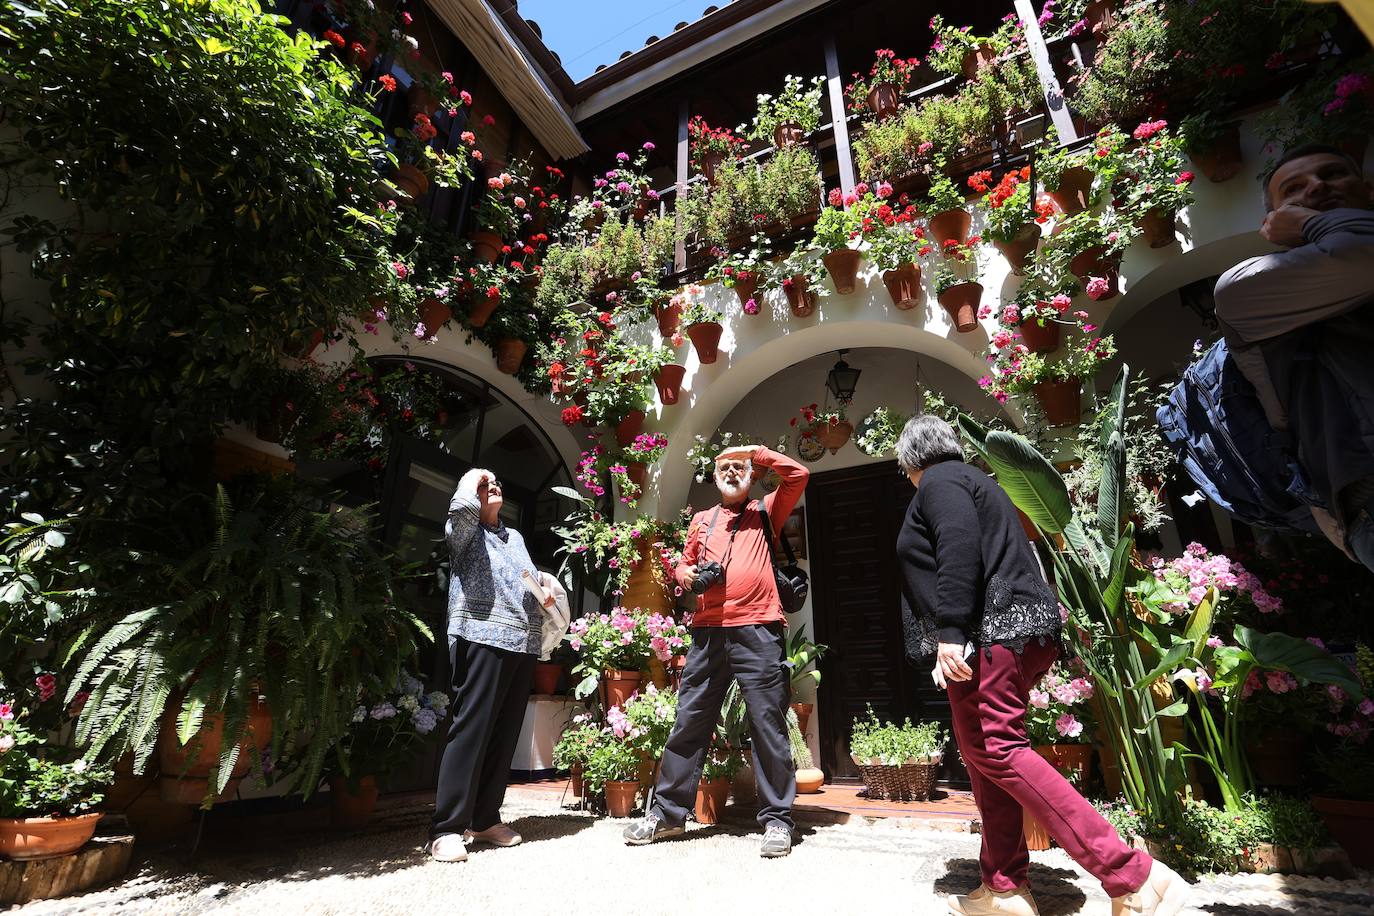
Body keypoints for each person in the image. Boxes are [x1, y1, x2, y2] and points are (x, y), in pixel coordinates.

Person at [893, 416, 1188, 916]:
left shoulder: (941, 482)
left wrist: (949, 634)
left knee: (999, 750)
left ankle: (1133, 876)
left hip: (990, 638)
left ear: (910, 461)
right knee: (988, 759)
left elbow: (958, 549)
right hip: (1011, 634)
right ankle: (1004, 887)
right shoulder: (976, 481)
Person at [623, 444, 808, 857]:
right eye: (723, 467)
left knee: (767, 724)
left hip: (758, 628)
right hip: (708, 632)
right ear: (713, 477)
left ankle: (777, 821)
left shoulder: (765, 512)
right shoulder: (702, 521)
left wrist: (754, 451)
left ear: (752, 473)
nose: (731, 471)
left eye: (739, 467)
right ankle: (667, 815)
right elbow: (683, 568)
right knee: (690, 720)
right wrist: (686, 574)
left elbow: (798, 475)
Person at [1213, 144, 1374, 569]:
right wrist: (1314, 224)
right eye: (1294, 189)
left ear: (1367, 189)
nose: (1317, 187)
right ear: (1274, 220)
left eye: (1333, 174)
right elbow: (1364, 255)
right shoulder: (1250, 289)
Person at [429, 468, 557, 863]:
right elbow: (460, 514)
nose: (494, 486)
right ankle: (447, 828)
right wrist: (470, 479)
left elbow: (526, 581)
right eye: (486, 486)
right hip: (479, 636)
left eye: (497, 482)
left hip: (521, 642)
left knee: (504, 734)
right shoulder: (465, 533)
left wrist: (545, 589)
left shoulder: (514, 537)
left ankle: (484, 819)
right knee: (471, 730)